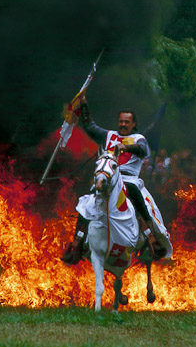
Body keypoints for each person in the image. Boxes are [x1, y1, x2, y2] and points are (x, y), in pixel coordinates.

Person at [61, 95, 170, 264]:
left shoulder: (139, 139)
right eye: (121, 121)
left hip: (129, 179)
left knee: (134, 194)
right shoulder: (109, 135)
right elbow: (90, 126)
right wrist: (84, 105)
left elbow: (142, 151)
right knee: (88, 202)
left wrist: (125, 146)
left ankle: (152, 240)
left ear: (133, 124)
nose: (123, 125)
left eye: (127, 122)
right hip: (107, 177)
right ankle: (77, 244)